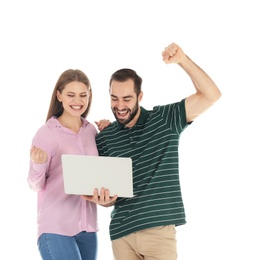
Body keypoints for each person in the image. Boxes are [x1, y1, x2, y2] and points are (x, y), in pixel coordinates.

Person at [82, 42, 222, 260]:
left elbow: (211, 95)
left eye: (127, 98)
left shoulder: (165, 119)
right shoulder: (105, 138)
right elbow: (110, 199)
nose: (119, 106)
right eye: (114, 98)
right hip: (121, 234)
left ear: (140, 97)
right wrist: (104, 200)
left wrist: (183, 60)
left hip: (158, 233)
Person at [27, 69, 110, 260]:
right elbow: (34, 184)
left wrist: (109, 133)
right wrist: (38, 164)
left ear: (89, 96)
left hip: (87, 228)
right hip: (55, 226)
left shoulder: (91, 131)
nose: (77, 101)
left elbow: (99, 175)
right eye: (70, 95)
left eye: (83, 95)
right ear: (59, 95)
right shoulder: (47, 133)